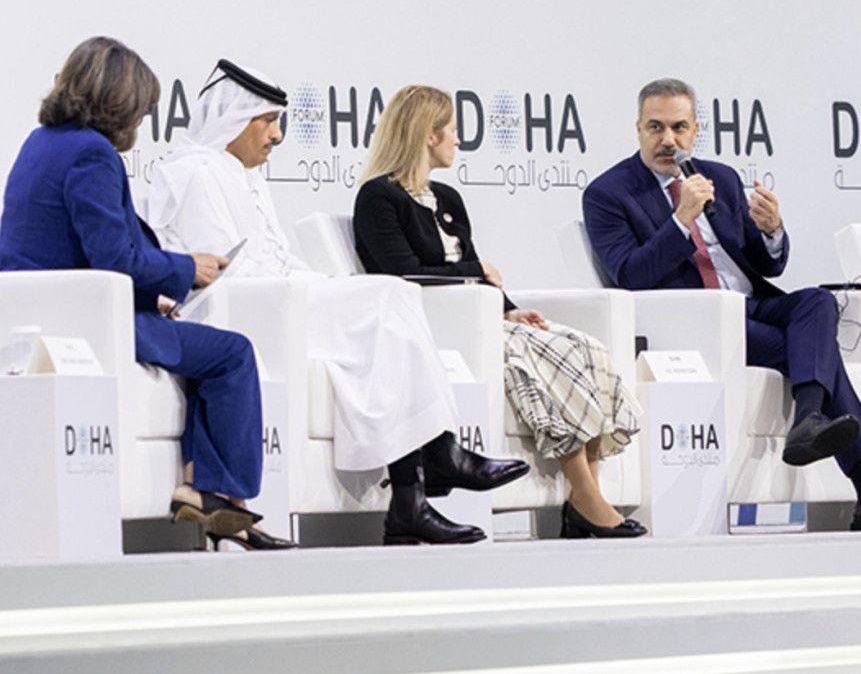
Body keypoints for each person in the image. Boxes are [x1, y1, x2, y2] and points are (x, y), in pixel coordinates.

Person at [148, 60, 529, 545]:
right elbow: (221, 272)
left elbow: (277, 256)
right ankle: (434, 460)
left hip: (281, 298)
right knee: (386, 294)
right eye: (268, 122)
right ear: (234, 119)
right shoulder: (197, 173)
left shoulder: (243, 174)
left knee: (391, 294)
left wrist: (321, 282)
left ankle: (417, 488)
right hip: (245, 310)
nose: (278, 135)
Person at [0, 37, 293, 550]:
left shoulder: (38, 143)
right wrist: (189, 268)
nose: (142, 119)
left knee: (201, 349)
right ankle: (220, 494)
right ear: (119, 100)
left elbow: (73, 250)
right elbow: (115, 258)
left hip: (56, 311)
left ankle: (206, 490)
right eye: (142, 107)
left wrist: (151, 296)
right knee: (231, 353)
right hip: (91, 325)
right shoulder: (93, 153)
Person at [353, 85, 645, 539]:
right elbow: (403, 272)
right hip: (430, 325)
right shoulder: (378, 198)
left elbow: (475, 270)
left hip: (477, 318)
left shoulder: (447, 198)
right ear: (428, 135)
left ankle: (587, 495)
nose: (458, 140)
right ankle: (586, 499)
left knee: (581, 346)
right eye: (452, 130)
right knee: (545, 359)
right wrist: (474, 273)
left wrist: (508, 312)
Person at [583, 78, 861, 531]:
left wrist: (772, 231)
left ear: (695, 130)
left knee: (817, 303)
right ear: (637, 128)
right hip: (694, 320)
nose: (668, 140)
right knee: (812, 348)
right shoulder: (608, 194)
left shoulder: (720, 177)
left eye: (679, 127)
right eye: (656, 127)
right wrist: (681, 219)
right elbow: (630, 274)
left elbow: (766, 265)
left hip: (749, 303)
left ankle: (811, 418)